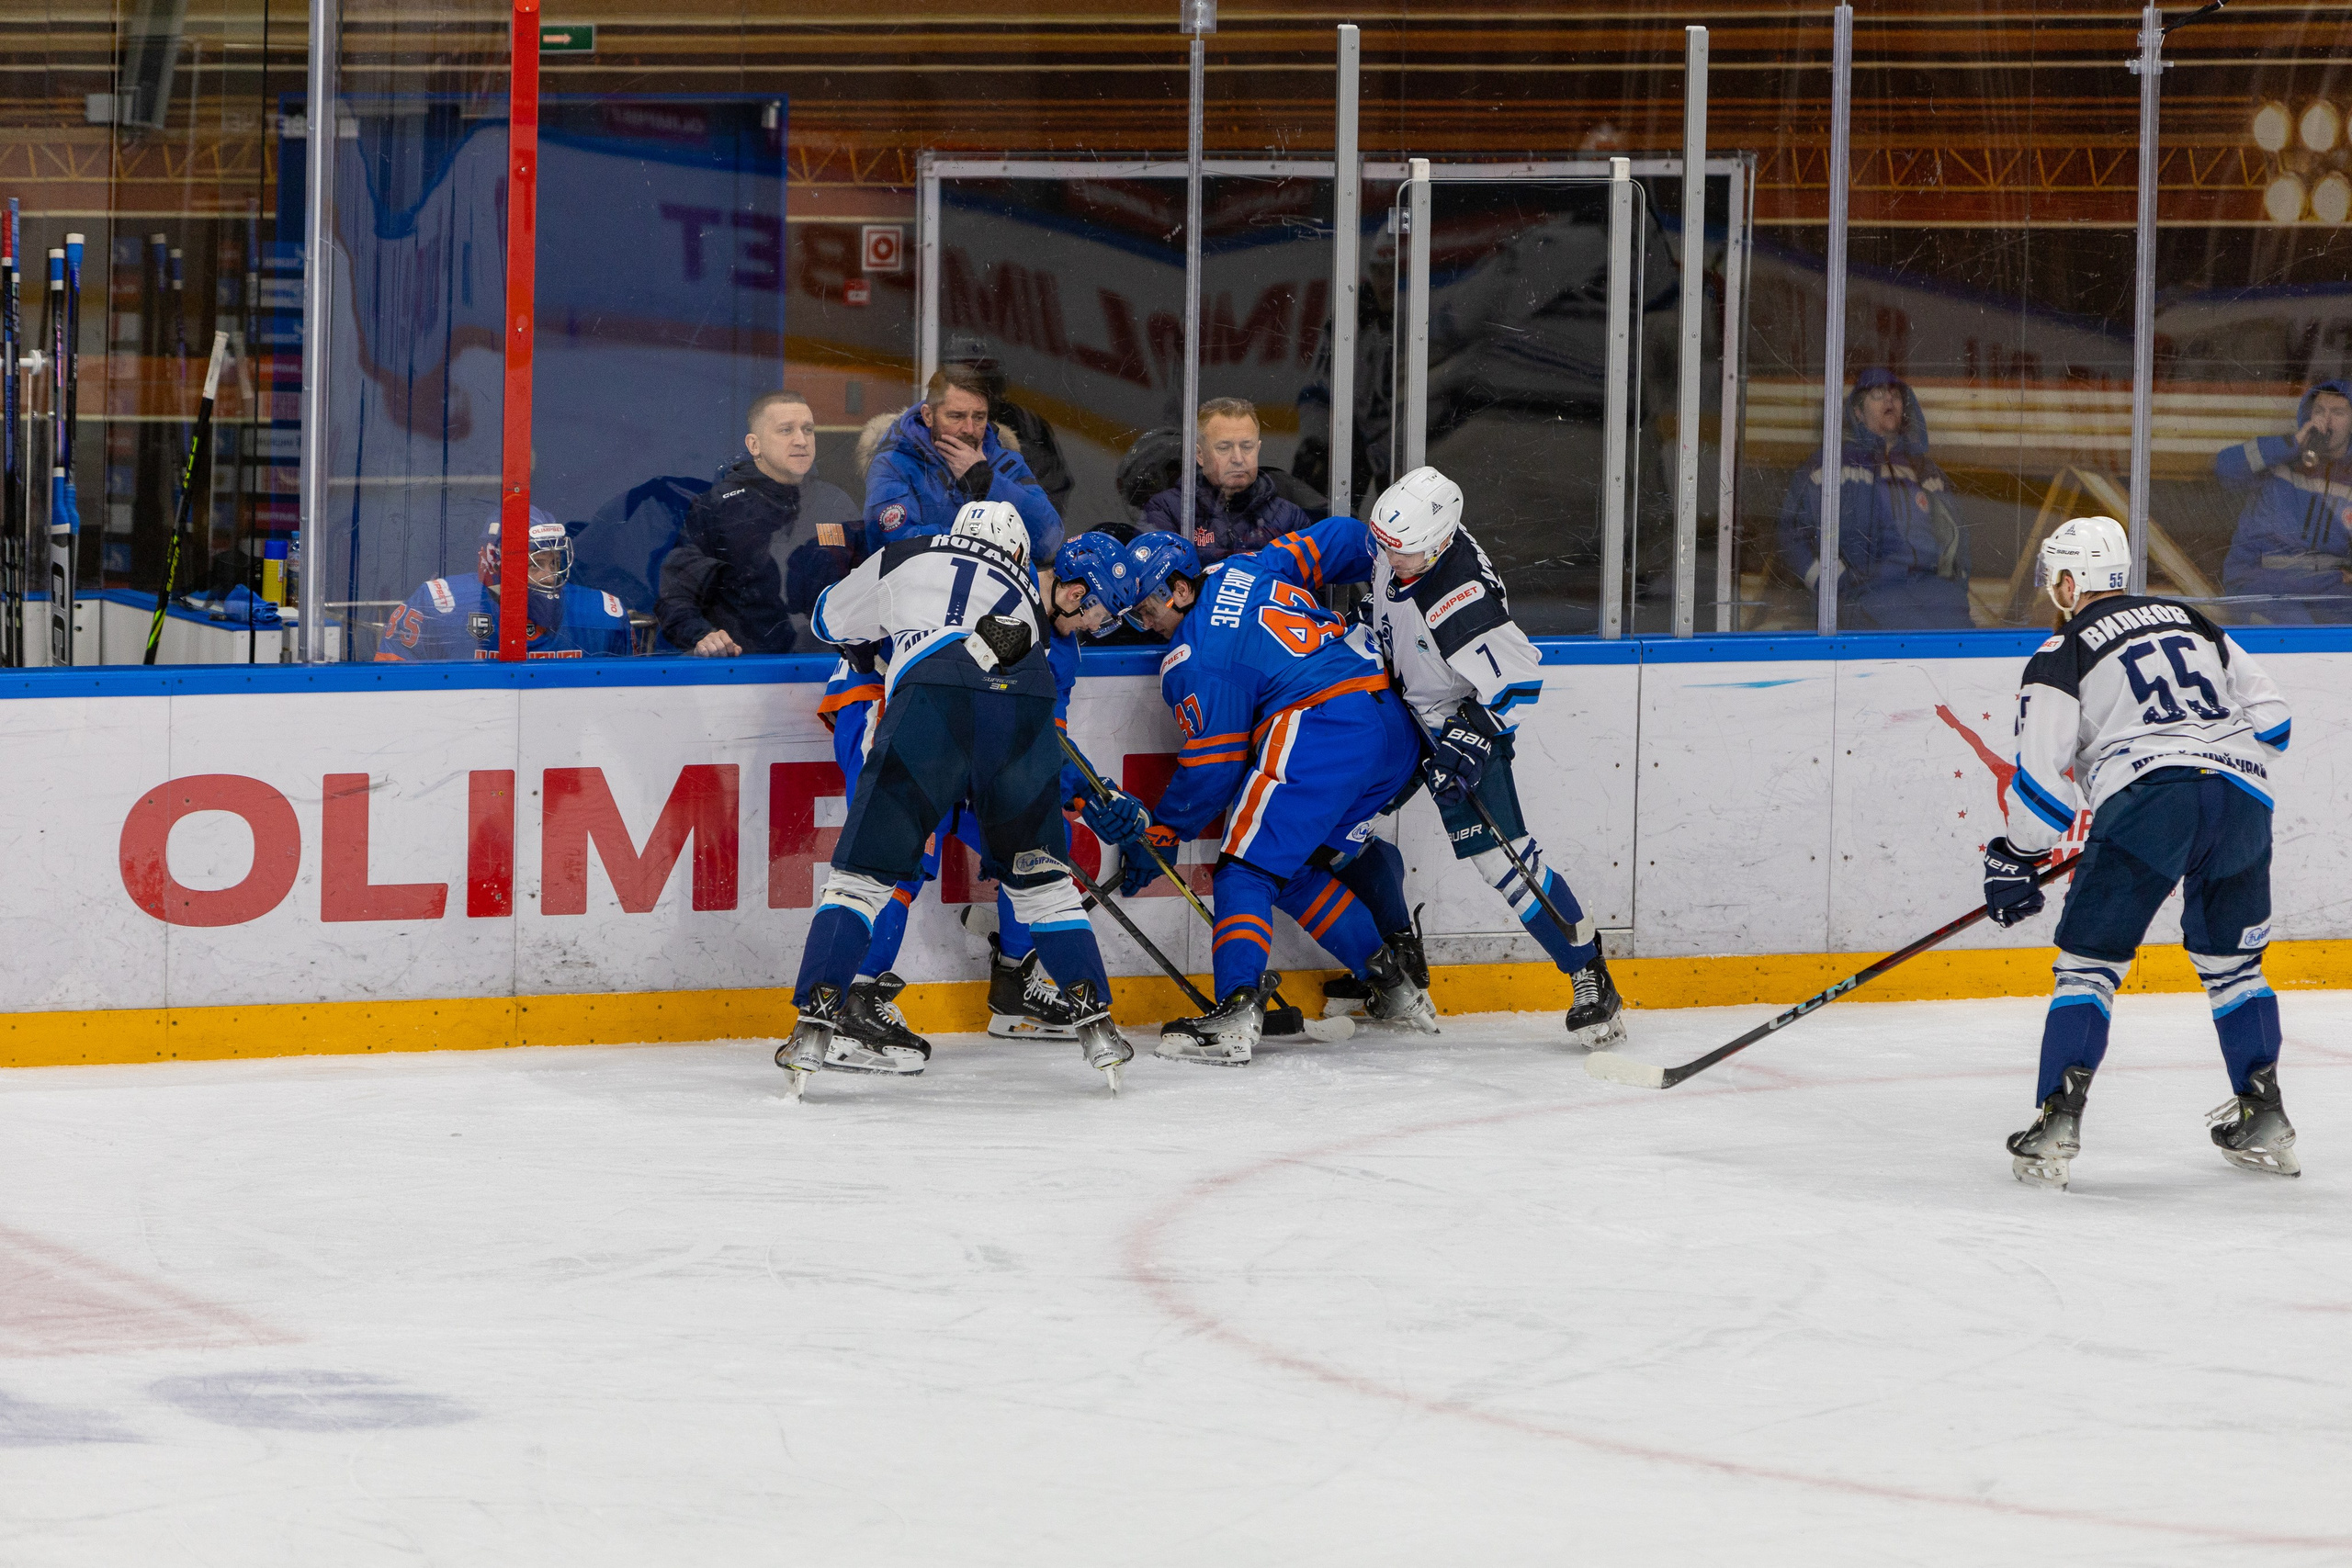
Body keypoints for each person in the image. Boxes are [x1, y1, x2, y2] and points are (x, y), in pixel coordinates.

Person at [1251, 466, 1627, 1050]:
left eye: (1402, 554)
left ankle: (1589, 975)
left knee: (1506, 864)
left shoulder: (1460, 600)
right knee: (1331, 833)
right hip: (1395, 711)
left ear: (1440, 545)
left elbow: (1520, 682)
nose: (1385, 558)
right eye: (1384, 547)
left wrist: (1470, 738)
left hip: (1458, 728)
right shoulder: (1399, 545)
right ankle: (1396, 968)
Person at [1984, 514, 2297, 1190]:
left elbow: (2042, 792)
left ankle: (2058, 1121)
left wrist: (2016, 856)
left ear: (2071, 581)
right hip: (2243, 797)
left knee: (2089, 966)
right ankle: (2265, 1112)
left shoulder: (2060, 651)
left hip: (2150, 799)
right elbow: (2276, 724)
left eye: (2055, 579)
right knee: (2233, 964)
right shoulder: (2195, 622)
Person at [781, 500, 1128, 1095]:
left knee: (863, 878)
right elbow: (997, 678)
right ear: (1020, 557)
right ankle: (1097, 1024)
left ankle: (821, 1015)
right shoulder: (1024, 598)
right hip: (999, 701)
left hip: (923, 700)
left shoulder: (910, 554)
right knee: (1044, 885)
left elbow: (825, 621)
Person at [1076, 531, 1436, 1065]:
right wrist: (1393, 559)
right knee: (1294, 867)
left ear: (1179, 591)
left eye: (1148, 608)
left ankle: (1237, 1010)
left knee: (1244, 872)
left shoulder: (1193, 659)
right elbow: (1338, 538)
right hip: (1392, 723)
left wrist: (1165, 829)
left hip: (1322, 727)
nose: (1142, 624)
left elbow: (1213, 766)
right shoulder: (1244, 566)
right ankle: (1393, 983)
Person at [659, 391, 861, 657]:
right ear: (754, 445)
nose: (801, 441)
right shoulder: (718, 508)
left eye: (808, 430)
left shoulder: (836, 503)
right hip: (748, 674)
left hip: (831, 670)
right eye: (786, 430)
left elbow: (866, 589)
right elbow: (676, 597)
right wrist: (703, 636)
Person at [1775, 367, 1970, 629]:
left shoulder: (1925, 471)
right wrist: (1834, 585)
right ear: (1857, 412)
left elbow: (1956, 537)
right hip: (1867, 596)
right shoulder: (1830, 466)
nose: (1889, 400)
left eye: (1895, 395)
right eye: (1878, 394)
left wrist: (1956, 585)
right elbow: (1793, 533)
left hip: (1935, 594)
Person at [375, 507, 630, 661]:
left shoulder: (603, 613)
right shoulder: (439, 605)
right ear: (495, 563)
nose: (550, 576)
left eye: (553, 562)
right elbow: (389, 691)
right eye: (535, 564)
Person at [863, 365, 1061, 562]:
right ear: (928, 416)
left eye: (979, 417)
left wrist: (985, 482)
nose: (969, 429)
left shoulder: (1006, 463)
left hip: (995, 589)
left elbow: (1048, 540)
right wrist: (983, 540)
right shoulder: (894, 463)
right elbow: (890, 546)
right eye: (956, 416)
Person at [2217, 378, 2352, 624]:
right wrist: (2292, 443)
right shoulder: (2282, 456)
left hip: (2328, 588)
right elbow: (2225, 468)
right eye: (2319, 411)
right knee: (2300, 633)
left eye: (2338, 412)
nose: (2326, 421)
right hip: (2262, 581)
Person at [1139, 398, 1317, 565]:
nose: (1238, 458)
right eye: (1224, 448)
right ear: (1200, 455)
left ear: (1258, 449)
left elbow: (1310, 591)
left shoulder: (1290, 518)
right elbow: (1159, 588)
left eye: (1247, 447)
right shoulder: (1167, 510)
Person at [941, 335, 1075, 517]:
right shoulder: (927, 424)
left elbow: (1051, 498)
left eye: (987, 381)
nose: (978, 390)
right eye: (966, 382)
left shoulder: (1030, 427)